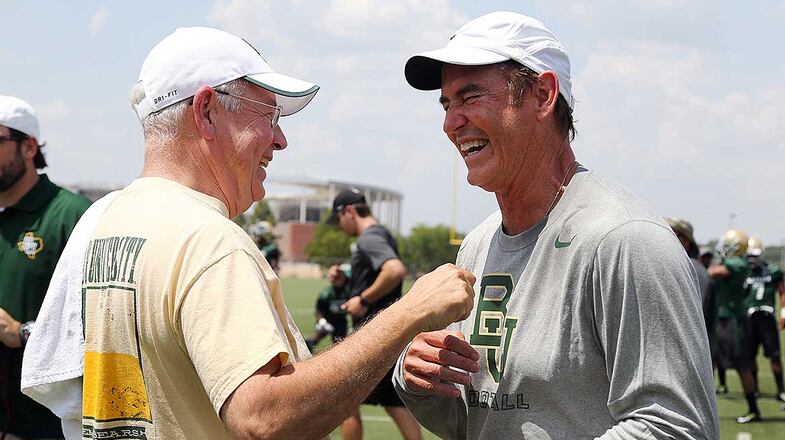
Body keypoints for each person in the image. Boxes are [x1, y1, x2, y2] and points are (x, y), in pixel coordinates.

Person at [76, 26, 475, 440]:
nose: (281, 139)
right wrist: (407, 314)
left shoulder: (108, 221)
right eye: (269, 115)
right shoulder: (208, 240)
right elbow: (263, 419)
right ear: (207, 110)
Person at [391, 11, 718, 439]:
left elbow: (676, 427)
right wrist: (418, 379)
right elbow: (480, 421)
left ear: (544, 95)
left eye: (470, 98)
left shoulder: (623, 239)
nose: (451, 123)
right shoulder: (478, 244)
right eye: (447, 104)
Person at [0, 95, 91, 439]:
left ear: (29, 147)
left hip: (46, 426)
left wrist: (22, 331)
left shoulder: (71, 215)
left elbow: (99, 323)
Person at [328, 188, 422, 440]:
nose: (340, 226)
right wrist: (345, 280)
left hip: (371, 336)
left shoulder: (368, 238)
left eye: (339, 220)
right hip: (388, 336)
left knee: (343, 402)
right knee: (395, 405)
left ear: (348, 212)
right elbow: (375, 274)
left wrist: (363, 299)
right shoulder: (381, 234)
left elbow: (394, 270)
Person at [708, 230, 762, 423]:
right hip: (721, 320)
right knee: (710, 362)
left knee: (741, 365)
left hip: (733, 322)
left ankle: (754, 409)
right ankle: (706, 408)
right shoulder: (730, 262)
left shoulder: (738, 263)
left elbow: (712, 272)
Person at [743, 236, 785, 404]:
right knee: (749, 356)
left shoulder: (773, 270)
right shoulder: (743, 271)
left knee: (774, 355)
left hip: (767, 317)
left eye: (755, 255)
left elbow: (783, 292)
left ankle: (781, 390)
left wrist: (784, 314)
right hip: (749, 318)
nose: (752, 259)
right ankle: (753, 389)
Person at [666, 217, 716, 368]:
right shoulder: (677, 267)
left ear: (685, 242)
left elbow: (692, 319)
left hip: (686, 359)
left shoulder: (692, 270)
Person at [305, 265, 351, 352]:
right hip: (328, 320)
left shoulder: (348, 290)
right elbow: (319, 309)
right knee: (314, 340)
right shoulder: (327, 293)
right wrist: (322, 321)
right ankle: (307, 346)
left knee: (339, 344)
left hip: (341, 321)